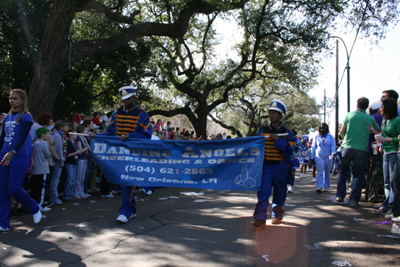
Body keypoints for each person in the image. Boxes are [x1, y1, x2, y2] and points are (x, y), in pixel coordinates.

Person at [102, 85, 152, 224]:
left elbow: (147, 135)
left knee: (126, 182)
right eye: (124, 99)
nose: (125, 101)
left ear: (134, 97)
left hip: (133, 154)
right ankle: (132, 209)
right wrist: (97, 136)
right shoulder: (115, 114)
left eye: (128, 99)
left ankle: (125, 211)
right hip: (118, 153)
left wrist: (130, 136)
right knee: (125, 181)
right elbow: (110, 133)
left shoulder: (142, 115)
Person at [0, 89, 43, 232]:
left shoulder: (26, 116)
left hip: (19, 155)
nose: (12, 101)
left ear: (22, 101)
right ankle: (4, 223)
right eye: (10, 98)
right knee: (2, 190)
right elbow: (2, 138)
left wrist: (12, 152)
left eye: (15, 98)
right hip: (3, 155)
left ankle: (34, 207)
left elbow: (23, 136)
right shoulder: (6, 117)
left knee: (14, 188)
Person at [252, 99, 297, 228]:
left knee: (280, 192)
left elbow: (290, 150)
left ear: (281, 115)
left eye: (274, 113)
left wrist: (278, 140)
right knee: (263, 191)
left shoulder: (288, 133)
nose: (271, 115)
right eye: (270, 112)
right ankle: (260, 217)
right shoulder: (262, 131)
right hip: (266, 166)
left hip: (281, 166)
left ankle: (277, 214)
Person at [336, 97, 379, 207]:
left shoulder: (349, 115)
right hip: (361, 149)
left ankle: (340, 195)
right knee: (358, 175)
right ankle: (354, 200)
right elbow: (378, 130)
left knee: (342, 172)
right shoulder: (369, 118)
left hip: (346, 147)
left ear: (357, 104)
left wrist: (342, 138)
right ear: (367, 106)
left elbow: (342, 131)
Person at [375, 99, 400, 221]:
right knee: (387, 182)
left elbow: (398, 138)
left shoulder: (397, 120)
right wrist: (376, 135)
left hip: (395, 153)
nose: (380, 109)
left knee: (394, 182)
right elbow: (383, 135)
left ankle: (392, 207)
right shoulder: (385, 121)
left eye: (382, 106)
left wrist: (387, 140)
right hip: (385, 152)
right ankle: (387, 206)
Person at [310, 123, 336, 193]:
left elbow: (333, 146)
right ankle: (319, 186)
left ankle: (326, 186)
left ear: (327, 128)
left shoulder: (330, 137)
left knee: (327, 171)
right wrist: (312, 157)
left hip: (328, 156)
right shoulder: (317, 136)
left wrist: (333, 153)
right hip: (319, 156)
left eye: (324, 127)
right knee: (320, 170)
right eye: (321, 127)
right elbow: (313, 147)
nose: (322, 129)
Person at [30, 127, 52, 211]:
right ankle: (40, 205)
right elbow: (47, 155)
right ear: (43, 135)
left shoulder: (34, 143)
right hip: (43, 168)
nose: (48, 135)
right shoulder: (44, 143)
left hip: (35, 169)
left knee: (35, 187)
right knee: (42, 188)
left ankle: (34, 205)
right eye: (47, 134)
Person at [48, 120, 68, 205]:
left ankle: (53, 196)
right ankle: (53, 197)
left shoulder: (58, 135)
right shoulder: (57, 136)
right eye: (65, 126)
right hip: (57, 160)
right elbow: (59, 149)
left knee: (55, 179)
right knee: (55, 179)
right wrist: (61, 160)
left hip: (57, 159)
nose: (67, 128)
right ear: (61, 127)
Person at [75, 124, 90, 199]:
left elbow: (89, 148)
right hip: (81, 158)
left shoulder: (84, 138)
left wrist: (86, 143)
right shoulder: (78, 138)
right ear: (81, 131)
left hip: (85, 158)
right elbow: (80, 150)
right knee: (79, 176)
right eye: (85, 130)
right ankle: (77, 192)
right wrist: (87, 147)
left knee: (82, 177)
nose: (87, 132)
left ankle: (81, 191)